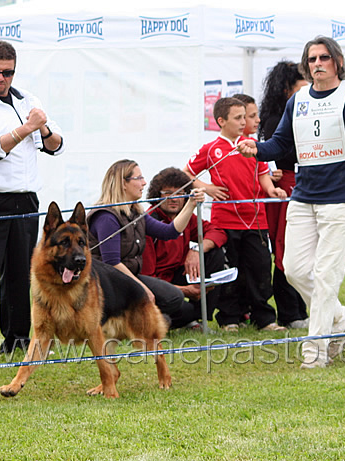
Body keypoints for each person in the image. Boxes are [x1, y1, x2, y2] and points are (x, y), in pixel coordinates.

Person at [237, 35, 345, 368]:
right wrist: (256, 149)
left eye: (324, 58)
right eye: (312, 59)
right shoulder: (298, 101)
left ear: (337, 62)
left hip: (341, 198)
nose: (318, 64)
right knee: (292, 268)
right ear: (306, 66)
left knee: (326, 275)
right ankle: (338, 318)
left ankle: (315, 353)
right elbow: (279, 145)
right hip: (304, 195)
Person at [0, 40, 65, 357]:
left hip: (27, 200)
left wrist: (42, 131)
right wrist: (27, 127)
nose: (0, 78)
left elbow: (56, 144)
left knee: (20, 273)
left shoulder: (27, 99)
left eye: (7, 73)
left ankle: (16, 338)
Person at [184, 97, 288, 333]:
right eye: (238, 118)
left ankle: (264, 318)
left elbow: (263, 174)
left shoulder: (252, 144)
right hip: (226, 220)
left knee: (261, 269)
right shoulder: (210, 149)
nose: (244, 122)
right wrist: (207, 188)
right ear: (221, 121)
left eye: (246, 117)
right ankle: (230, 318)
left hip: (256, 219)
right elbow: (186, 174)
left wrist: (272, 189)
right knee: (229, 271)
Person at [87, 159, 204, 328]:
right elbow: (111, 262)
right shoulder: (107, 217)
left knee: (175, 298)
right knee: (161, 304)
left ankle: (134, 320)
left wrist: (191, 205)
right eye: (139, 178)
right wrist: (142, 289)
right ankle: (126, 321)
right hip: (107, 283)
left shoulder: (136, 212)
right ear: (123, 183)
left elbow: (169, 232)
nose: (144, 182)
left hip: (129, 278)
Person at [141, 167, 228, 328]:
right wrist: (185, 290)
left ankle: (201, 318)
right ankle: (189, 317)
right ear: (156, 195)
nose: (174, 199)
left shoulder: (187, 216)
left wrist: (196, 250)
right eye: (167, 193)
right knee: (184, 310)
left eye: (179, 193)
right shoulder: (149, 223)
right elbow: (149, 279)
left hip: (179, 274)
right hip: (159, 286)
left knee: (215, 253)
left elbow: (217, 232)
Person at [259, 61, 309, 329]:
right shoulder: (275, 120)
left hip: (302, 183)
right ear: (287, 89)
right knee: (285, 249)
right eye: (301, 88)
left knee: (302, 249)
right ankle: (290, 313)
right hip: (287, 186)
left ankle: (300, 309)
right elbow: (282, 153)